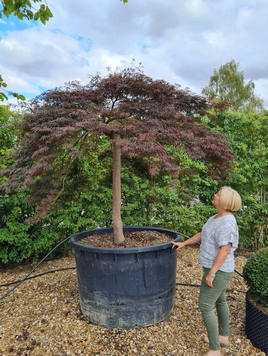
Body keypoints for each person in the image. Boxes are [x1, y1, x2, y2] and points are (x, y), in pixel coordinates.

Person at [171, 186, 242, 356]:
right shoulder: (216, 217)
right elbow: (203, 234)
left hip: (219, 270)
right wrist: (184, 243)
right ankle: (223, 336)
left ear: (224, 201)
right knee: (220, 300)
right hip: (214, 268)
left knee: (205, 304)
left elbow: (225, 250)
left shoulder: (227, 223)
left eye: (218, 194)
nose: (215, 195)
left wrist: (212, 273)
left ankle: (215, 349)